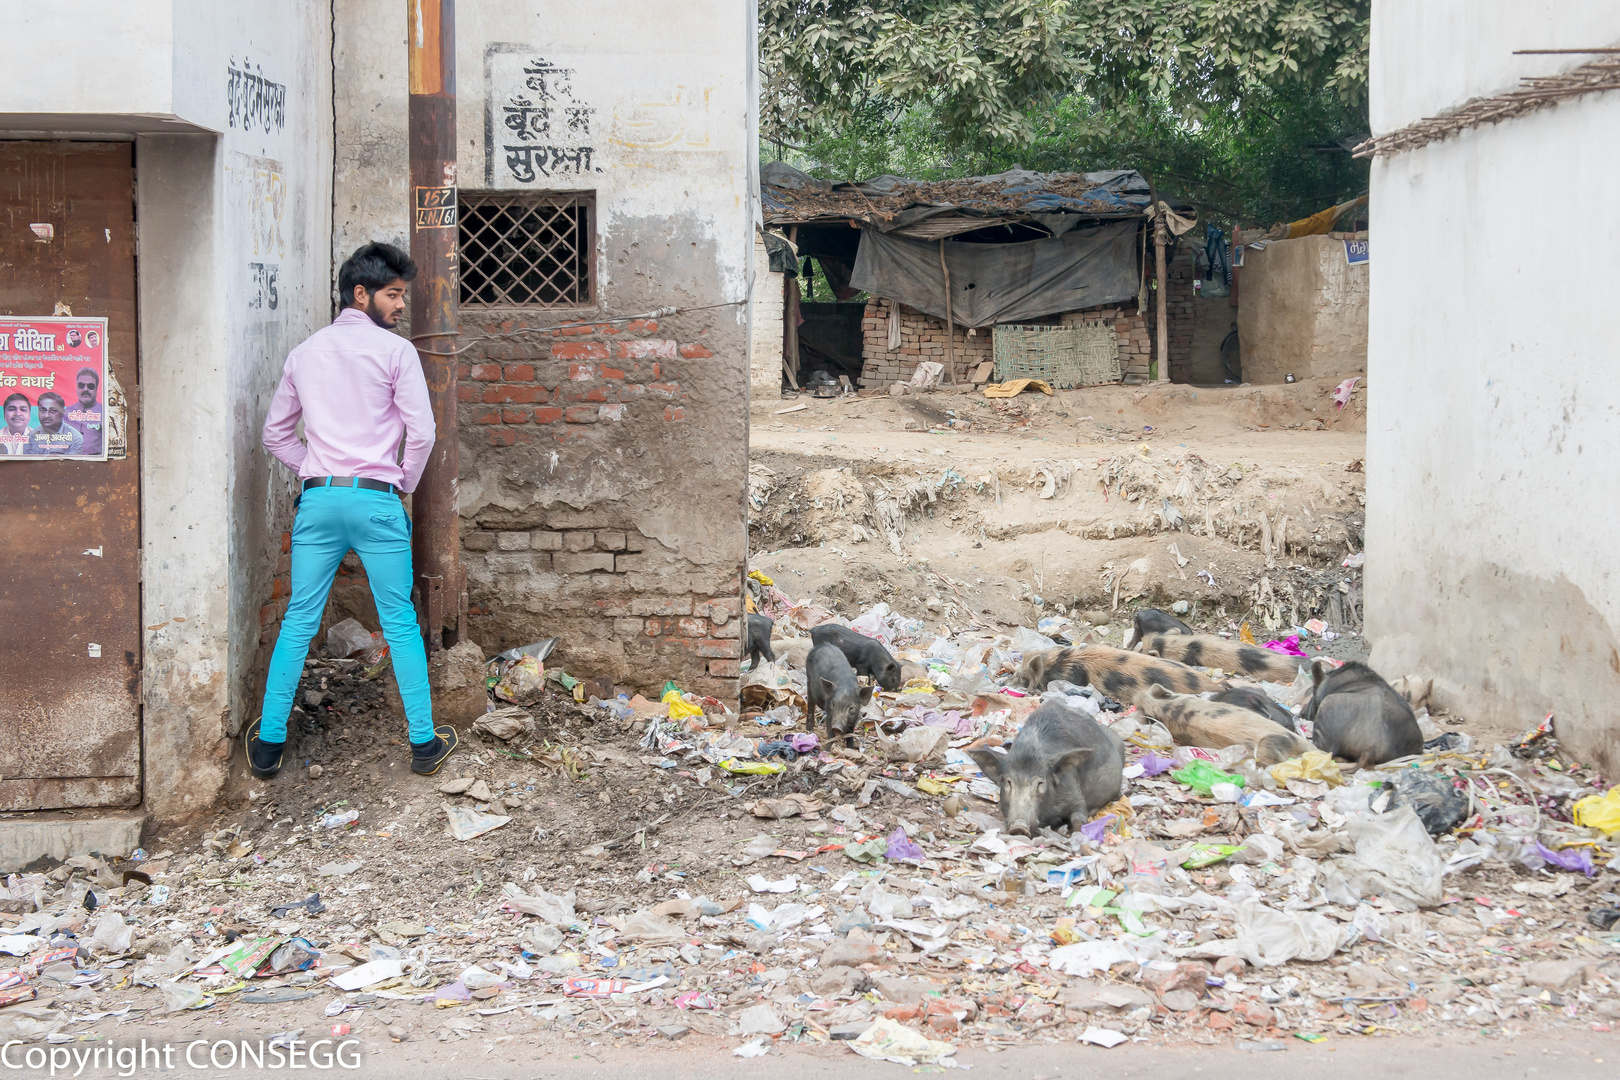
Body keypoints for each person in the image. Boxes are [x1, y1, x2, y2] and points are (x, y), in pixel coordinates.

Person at [248, 241, 456, 779]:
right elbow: (423, 431)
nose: (401, 305)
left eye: (402, 295)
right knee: (401, 623)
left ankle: (268, 748)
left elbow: (275, 434)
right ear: (359, 294)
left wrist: (312, 471)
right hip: (377, 500)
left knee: (298, 618)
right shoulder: (396, 352)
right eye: (393, 294)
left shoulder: (304, 352)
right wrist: (401, 483)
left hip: (319, 500)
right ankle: (423, 745)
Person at [66, 367, 103, 455]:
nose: (85, 389)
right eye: (81, 385)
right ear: (76, 387)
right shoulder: (65, 413)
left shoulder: (104, 412)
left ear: (96, 389)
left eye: (90, 386)